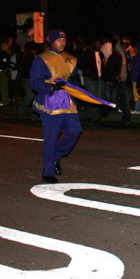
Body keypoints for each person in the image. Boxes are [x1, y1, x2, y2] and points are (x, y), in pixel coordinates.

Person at [31, 29, 82, 184]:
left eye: (64, 40)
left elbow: (74, 80)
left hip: (67, 101)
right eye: (59, 40)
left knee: (75, 130)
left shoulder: (70, 59)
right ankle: (48, 172)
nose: (62, 43)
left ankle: (55, 157)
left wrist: (76, 82)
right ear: (51, 41)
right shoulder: (42, 59)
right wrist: (51, 86)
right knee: (51, 137)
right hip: (49, 102)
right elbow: (35, 82)